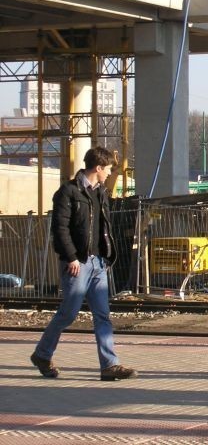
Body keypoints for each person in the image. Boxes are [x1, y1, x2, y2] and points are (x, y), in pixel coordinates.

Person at [30, 146, 137, 381]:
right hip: (77, 263)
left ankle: (110, 365)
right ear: (98, 168)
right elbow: (60, 228)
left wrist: (107, 256)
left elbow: (104, 227)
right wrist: (70, 257)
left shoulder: (100, 192)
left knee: (103, 314)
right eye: (107, 169)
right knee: (68, 314)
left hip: (98, 262)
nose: (109, 173)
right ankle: (42, 354)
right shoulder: (68, 192)